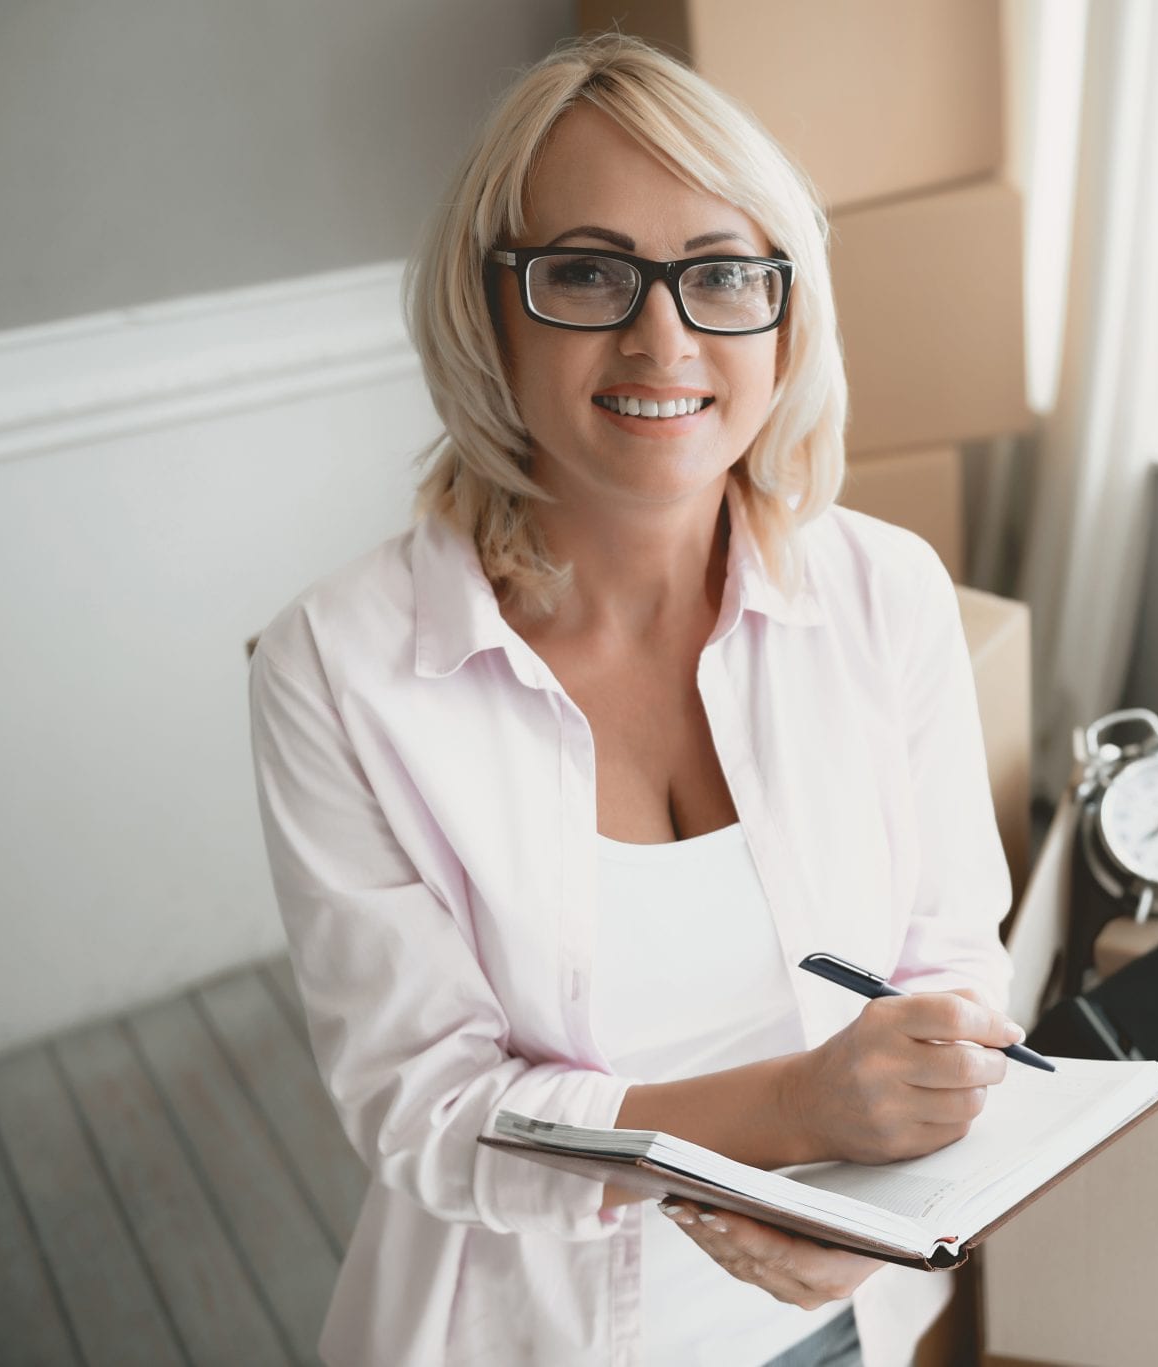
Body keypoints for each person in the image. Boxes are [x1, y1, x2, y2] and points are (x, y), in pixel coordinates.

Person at [247, 33, 1019, 1367]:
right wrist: (796, 1111)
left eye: (721, 273)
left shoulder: (890, 594)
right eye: (590, 273)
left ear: (786, 312)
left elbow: (952, 968)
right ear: (489, 305)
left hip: (839, 1321)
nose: (662, 337)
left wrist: (872, 1213)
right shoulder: (337, 666)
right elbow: (431, 1110)